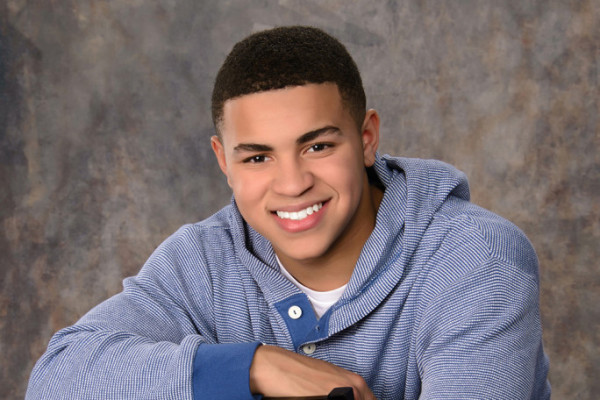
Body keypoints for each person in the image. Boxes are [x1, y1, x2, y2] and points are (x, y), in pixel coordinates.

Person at [26, 26, 551, 399]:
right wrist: (253, 367)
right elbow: (58, 379)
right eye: (257, 157)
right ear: (223, 162)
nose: (293, 184)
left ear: (366, 138)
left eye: (318, 146)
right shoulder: (204, 260)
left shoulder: (476, 260)